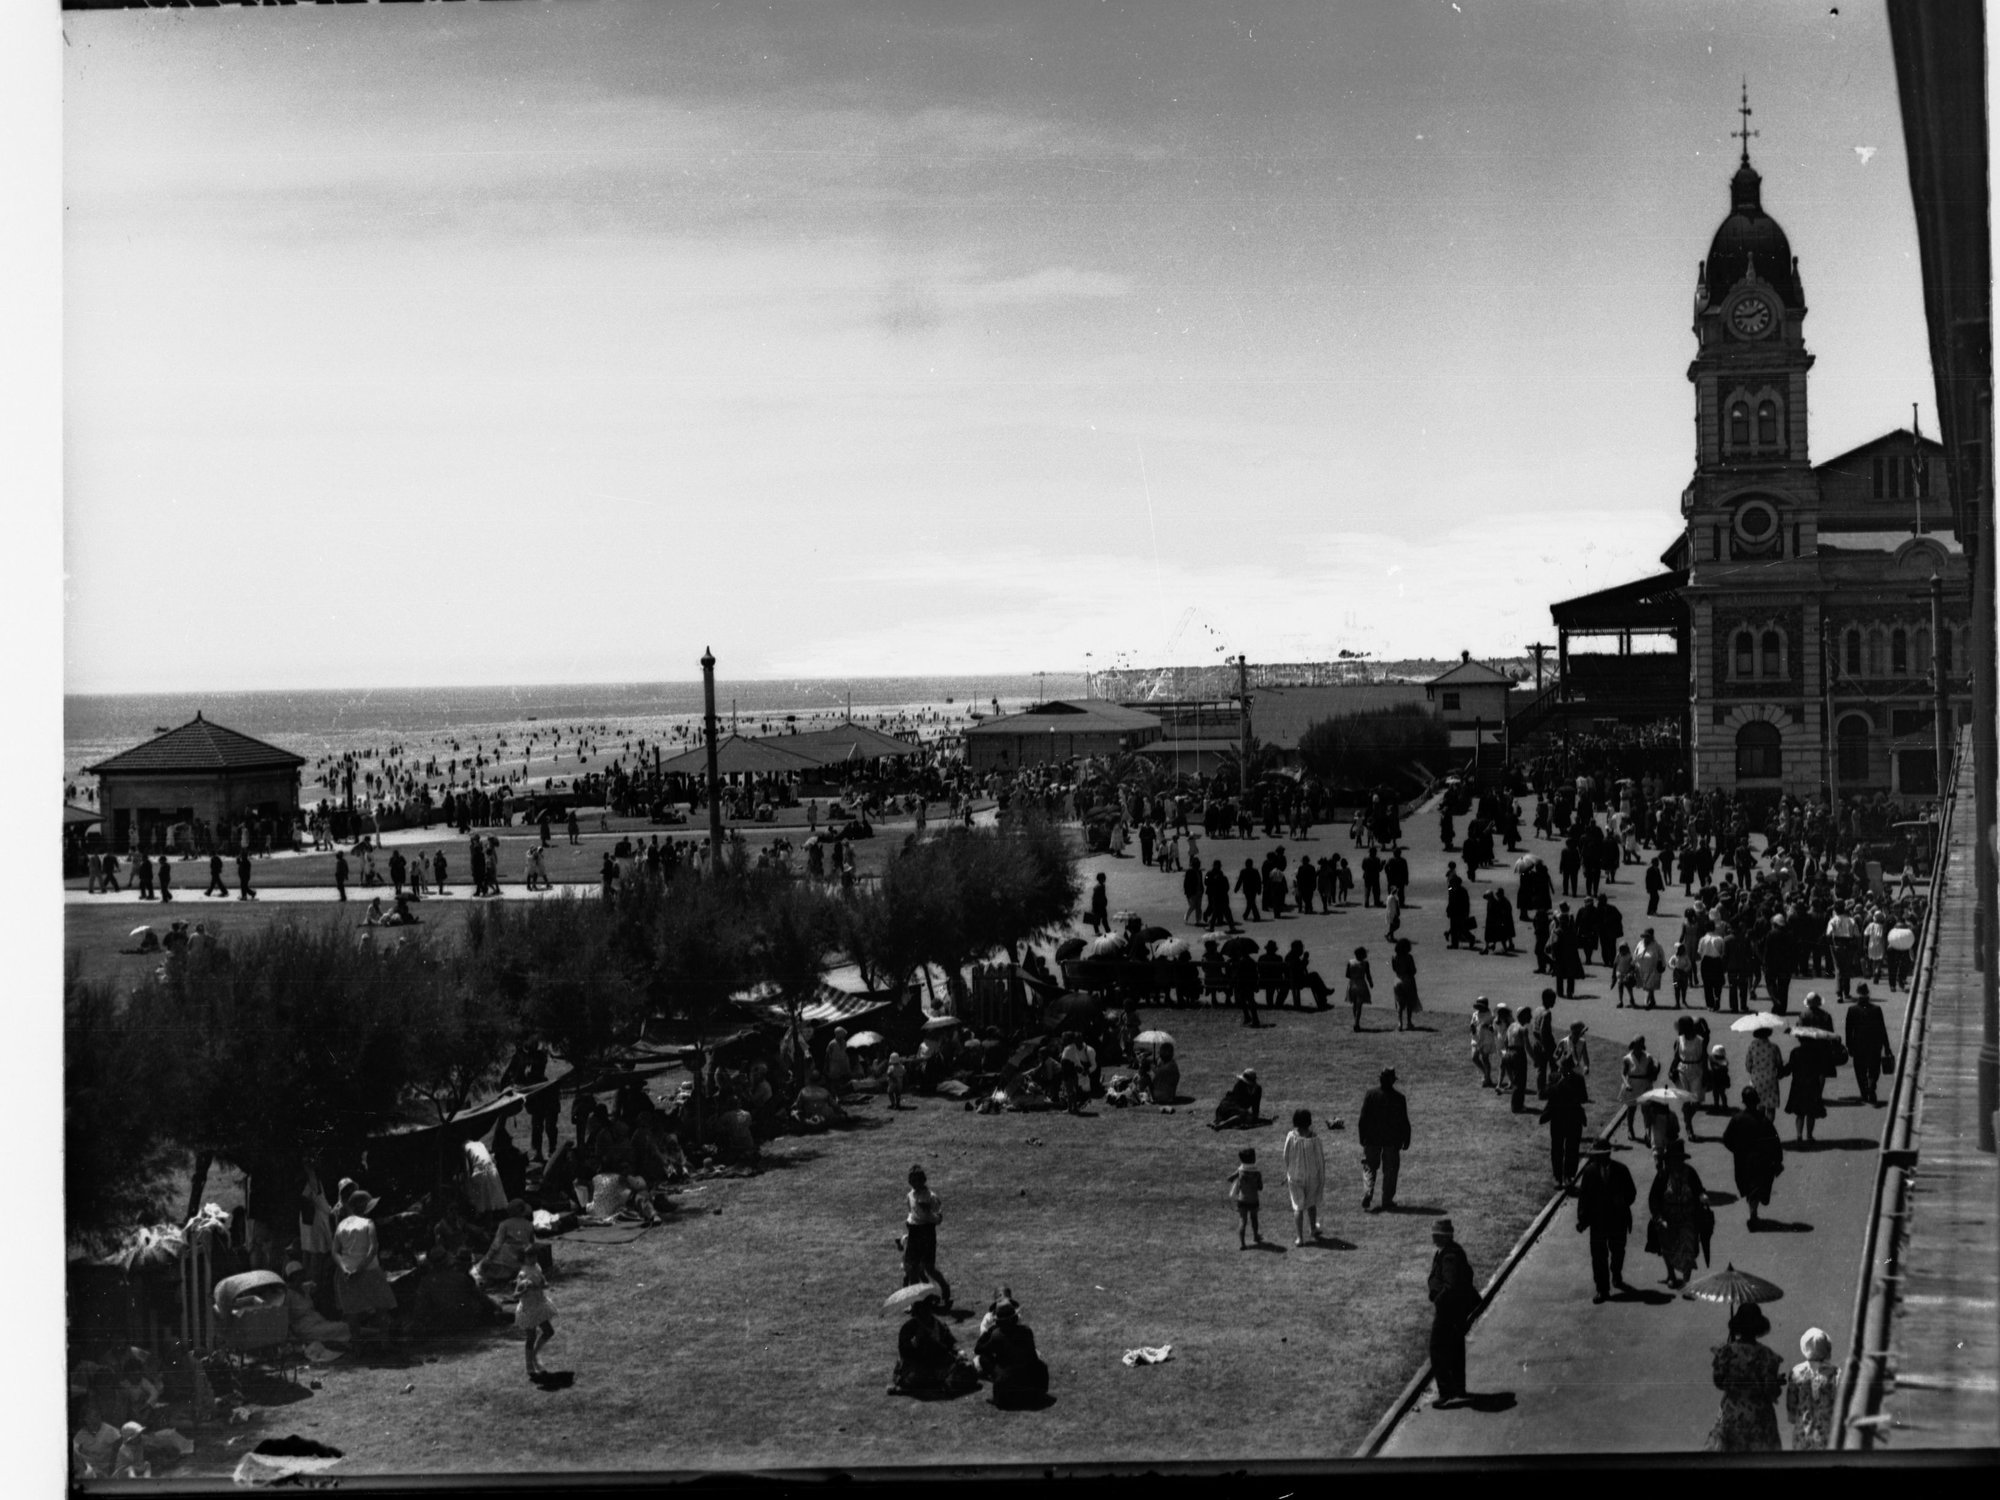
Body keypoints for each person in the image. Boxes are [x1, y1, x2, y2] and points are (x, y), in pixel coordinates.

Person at [1704, 1301, 1785, 1452]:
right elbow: (1771, 1389)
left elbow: (1719, 1382)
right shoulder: (1767, 1355)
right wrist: (1777, 1382)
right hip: (1759, 1414)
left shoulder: (1726, 1352)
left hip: (1733, 1412)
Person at [1573, 1139, 1636, 1302]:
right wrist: (1582, 1219)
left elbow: (1632, 1193)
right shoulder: (1589, 1172)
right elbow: (1584, 1197)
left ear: (1608, 1154)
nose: (1596, 1159)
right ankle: (1602, 1289)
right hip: (1598, 1220)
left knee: (1618, 1251)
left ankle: (1616, 1272)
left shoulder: (1621, 1170)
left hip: (1618, 1219)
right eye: (1595, 1156)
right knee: (1598, 1256)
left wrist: (1622, 1200)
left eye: (1600, 1155)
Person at [1426, 1218, 1478, 1408]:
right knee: (1455, 1347)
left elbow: (1450, 1285)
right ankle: (1458, 1388)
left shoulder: (1449, 1256)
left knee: (1437, 1348)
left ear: (1444, 1237)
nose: (1433, 1237)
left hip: (1448, 1310)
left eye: (1436, 1234)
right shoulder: (1451, 1251)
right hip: (1456, 1309)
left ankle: (1446, 1392)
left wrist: (1438, 1300)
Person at [1646, 1140, 1710, 1291]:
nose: (1675, 1163)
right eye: (1672, 1160)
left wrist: (1702, 1196)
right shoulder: (1662, 1175)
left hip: (1688, 1218)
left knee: (1688, 1249)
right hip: (1668, 1219)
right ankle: (1671, 1275)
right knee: (1668, 1248)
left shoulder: (1690, 1173)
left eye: (1678, 1160)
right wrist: (1659, 1218)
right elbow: (1654, 1198)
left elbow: (1699, 1189)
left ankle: (1687, 1281)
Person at [332, 1188, 398, 1334]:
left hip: (348, 1274)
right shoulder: (368, 1223)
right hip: (370, 1271)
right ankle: (384, 1345)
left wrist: (345, 1269)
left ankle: (357, 1348)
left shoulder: (342, 1225)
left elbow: (335, 1252)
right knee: (382, 1308)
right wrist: (360, 1269)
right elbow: (373, 1249)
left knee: (352, 1313)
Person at [888, 1291, 977, 1397]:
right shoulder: (908, 1328)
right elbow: (905, 1353)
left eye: (928, 1308)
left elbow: (950, 1343)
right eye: (922, 1309)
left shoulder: (938, 1325)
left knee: (967, 1367)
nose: (926, 1312)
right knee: (917, 1377)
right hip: (917, 1365)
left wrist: (959, 1352)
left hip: (938, 1362)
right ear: (917, 1311)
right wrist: (916, 1341)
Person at [974, 1290, 1050, 1409]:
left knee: (984, 1359)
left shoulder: (996, 1335)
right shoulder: (1026, 1331)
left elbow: (978, 1349)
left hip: (1008, 1377)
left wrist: (989, 1330)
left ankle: (998, 1397)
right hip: (1029, 1374)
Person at [1720, 1089, 1784, 1228]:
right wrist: (1778, 1161)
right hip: (1761, 1161)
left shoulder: (1737, 1119)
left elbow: (1726, 1139)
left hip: (1743, 1161)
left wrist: (1736, 1150)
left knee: (1750, 1189)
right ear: (1756, 1102)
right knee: (1757, 1187)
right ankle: (1754, 1212)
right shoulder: (1764, 1120)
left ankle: (1753, 1213)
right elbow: (1774, 1142)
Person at [1358, 1066, 1411, 1212]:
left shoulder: (1370, 1094)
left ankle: (1368, 1192)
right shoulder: (1399, 1098)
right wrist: (1406, 1138)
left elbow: (1363, 1118)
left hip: (1372, 1139)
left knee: (1369, 1166)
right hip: (1392, 1141)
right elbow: (1404, 1121)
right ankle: (1387, 1200)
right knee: (1391, 1170)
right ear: (1393, 1081)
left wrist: (1362, 1136)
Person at [900, 1166, 952, 1308]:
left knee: (929, 1268)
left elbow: (939, 1219)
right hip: (914, 1233)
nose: (914, 1183)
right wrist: (909, 1222)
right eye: (912, 1180)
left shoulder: (931, 1197)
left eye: (917, 1180)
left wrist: (928, 1213)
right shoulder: (910, 1195)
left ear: (923, 1180)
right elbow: (911, 1213)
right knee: (912, 1269)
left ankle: (945, 1288)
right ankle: (916, 1300)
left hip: (926, 1233)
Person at [1785, 1327, 1839, 1451]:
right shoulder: (1836, 1373)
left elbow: (1791, 1410)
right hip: (1826, 1433)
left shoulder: (1796, 1372)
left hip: (1802, 1432)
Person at [1539, 1057, 1589, 1188]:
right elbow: (1544, 1093)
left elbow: (1584, 1098)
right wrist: (1558, 1085)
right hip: (1557, 1118)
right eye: (1560, 1067)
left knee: (1572, 1149)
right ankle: (1557, 1177)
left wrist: (1572, 1092)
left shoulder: (1578, 1079)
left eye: (1563, 1067)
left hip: (1573, 1118)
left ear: (1569, 1068)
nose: (1560, 1069)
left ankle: (1569, 1176)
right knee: (1557, 1149)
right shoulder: (1554, 1077)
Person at [1283, 1109, 1327, 1245]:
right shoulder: (1315, 1138)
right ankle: (1313, 1228)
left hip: (1295, 1176)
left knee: (1298, 1206)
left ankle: (1299, 1238)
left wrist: (1288, 1170)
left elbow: (1286, 1155)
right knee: (1311, 1202)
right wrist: (1321, 1175)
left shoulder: (1291, 1136)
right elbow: (1320, 1158)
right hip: (1312, 1175)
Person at [1844, 983, 1892, 1105]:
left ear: (1857, 993)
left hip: (1858, 1045)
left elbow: (1848, 1031)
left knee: (1860, 1070)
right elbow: (1882, 1029)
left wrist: (1849, 1046)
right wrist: (1887, 1047)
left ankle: (1864, 1092)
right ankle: (1872, 1086)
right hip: (1874, 1044)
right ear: (1868, 993)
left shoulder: (1852, 1010)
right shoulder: (1876, 1009)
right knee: (1874, 1068)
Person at [514, 1258, 557, 1381]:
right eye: (530, 1255)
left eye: (535, 1255)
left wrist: (542, 1285)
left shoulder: (537, 1267)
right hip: (528, 1308)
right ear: (525, 1257)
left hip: (539, 1305)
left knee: (549, 1331)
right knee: (531, 1336)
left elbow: (544, 1282)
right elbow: (515, 1295)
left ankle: (535, 1355)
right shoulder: (522, 1274)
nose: (533, 1258)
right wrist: (526, 1289)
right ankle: (529, 1365)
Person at [1228, 1146, 1264, 1248]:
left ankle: (1242, 1244)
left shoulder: (1240, 1171)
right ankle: (1256, 1236)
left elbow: (1229, 1179)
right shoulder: (1257, 1173)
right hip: (1253, 1200)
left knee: (1242, 1221)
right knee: (1254, 1219)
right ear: (1253, 1159)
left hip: (1242, 1200)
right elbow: (1260, 1187)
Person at [1344, 947, 1374, 1032]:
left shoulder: (1350, 962)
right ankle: (1356, 1023)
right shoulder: (1365, 963)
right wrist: (1371, 983)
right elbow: (1368, 975)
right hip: (1361, 984)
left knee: (1354, 1004)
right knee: (1359, 1005)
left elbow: (1347, 975)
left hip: (1352, 984)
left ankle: (1356, 1021)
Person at [1150, 1041, 1180, 1105]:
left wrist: (1152, 1067)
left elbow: (1158, 1074)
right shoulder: (1172, 1064)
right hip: (1169, 1095)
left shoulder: (1167, 1067)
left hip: (1160, 1096)